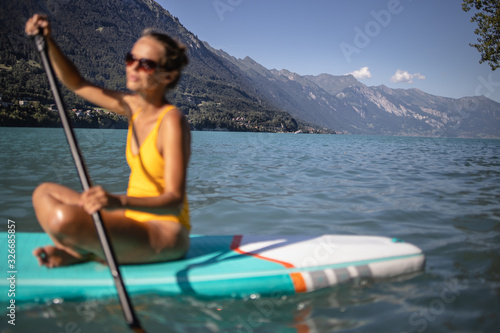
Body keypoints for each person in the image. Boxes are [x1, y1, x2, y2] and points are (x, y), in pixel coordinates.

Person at [25, 14, 191, 267]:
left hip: (164, 230)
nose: (133, 67)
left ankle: (82, 251)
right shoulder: (132, 107)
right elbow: (77, 83)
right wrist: (49, 43)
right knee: (43, 193)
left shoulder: (171, 121)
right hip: (129, 218)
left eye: (146, 64)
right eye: (130, 58)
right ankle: (85, 250)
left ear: (168, 76)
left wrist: (116, 201)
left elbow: (174, 204)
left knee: (62, 219)